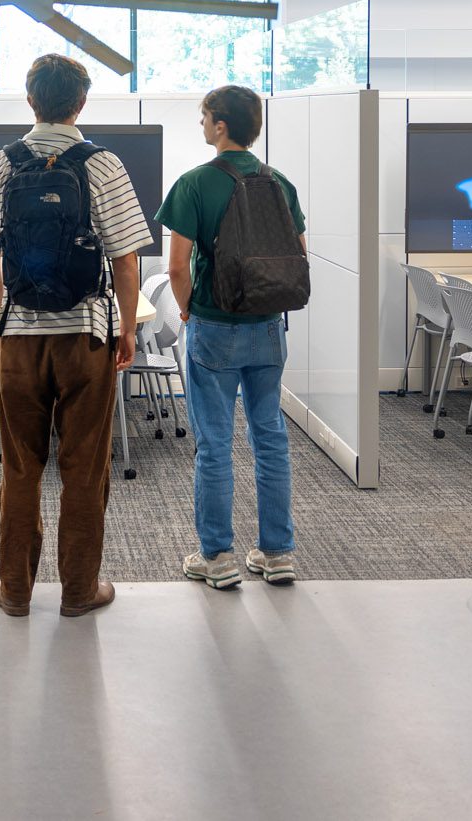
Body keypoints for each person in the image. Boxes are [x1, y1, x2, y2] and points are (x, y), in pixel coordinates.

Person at [0, 54, 151, 617]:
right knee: (84, 466)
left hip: (20, 338)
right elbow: (125, 263)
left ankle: (16, 589)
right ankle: (78, 591)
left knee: (20, 465)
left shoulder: (1, 163)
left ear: (30, 101)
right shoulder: (104, 165)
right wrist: (124, 329)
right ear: (81, 103)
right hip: (87, 337)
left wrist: (5, 316)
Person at [154, 85, 306, 589]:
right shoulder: (279, 182)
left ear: (220, 125)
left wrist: (189, 310)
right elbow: (296, 253)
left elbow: (177, 266)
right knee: (271, 439)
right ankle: (277, 552)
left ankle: (218, 557)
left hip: (215, 327)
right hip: (267, 326)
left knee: (214, 444)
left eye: (203, 118)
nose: (201, 125)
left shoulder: (195, 183)